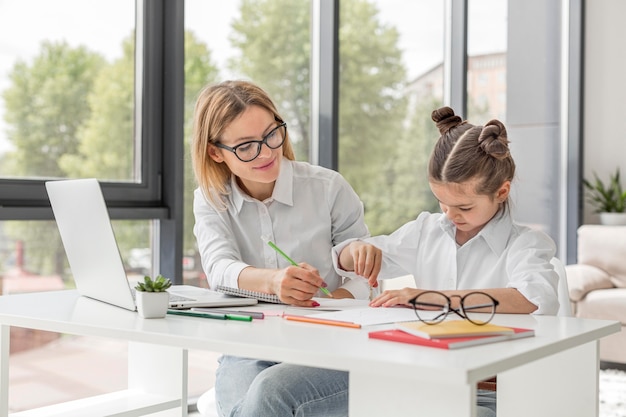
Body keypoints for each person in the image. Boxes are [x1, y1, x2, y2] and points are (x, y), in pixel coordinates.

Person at [333, 106, 560, 417]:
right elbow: (354, 257)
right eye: (442, 202)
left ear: (501, 191)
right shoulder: (427, 230)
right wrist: (355, 250)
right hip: (425, 378)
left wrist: (432, 299)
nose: (451, 215)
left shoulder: (526, 244)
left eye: (464, 207)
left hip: (493, 392)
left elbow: (533, 298)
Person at [191, 79, 370, 417]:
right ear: (215, 152)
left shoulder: (328, 188)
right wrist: (273, 282)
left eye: (272, 134)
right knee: (255, 404)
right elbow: (219, 268)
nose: (267, 152)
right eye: (246, 146)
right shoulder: (212, 199)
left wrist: (331, 304)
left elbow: (366, 279)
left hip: (329, 345)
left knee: (265, 399)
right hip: (248, 347)